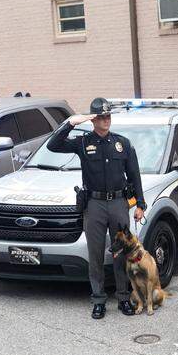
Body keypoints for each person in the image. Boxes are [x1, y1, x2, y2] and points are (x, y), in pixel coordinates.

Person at [47, 97, 147, 319]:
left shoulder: (122, 143)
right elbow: (53, 145)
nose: (106, 120)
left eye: (108, 116)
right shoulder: (83, 143)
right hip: (94, 205)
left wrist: (140, 203)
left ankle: (123, 298)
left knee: (122, 253)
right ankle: (99, 299)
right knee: (95, 253)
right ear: (93, 120)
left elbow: (134, 176)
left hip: (119, 204)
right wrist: (71, 123)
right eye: (101, 117)